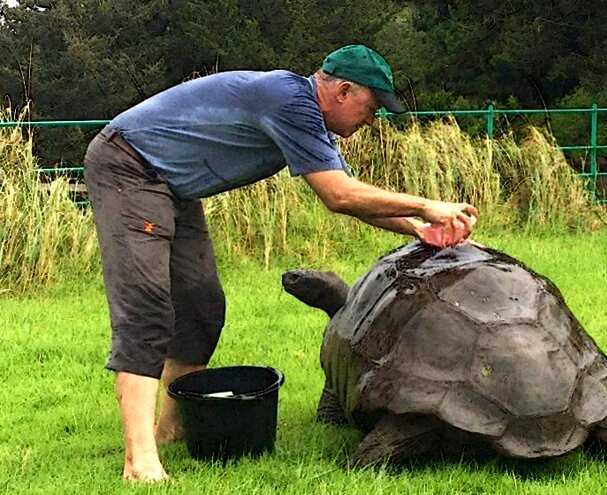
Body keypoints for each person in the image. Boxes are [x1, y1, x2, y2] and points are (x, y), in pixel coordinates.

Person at [83, 44, 478, 482]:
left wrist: (418, 231)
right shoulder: (289, 100)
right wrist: (427, 206)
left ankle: (172, 427)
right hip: (130, 166)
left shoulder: (311, 120)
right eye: (371, 107)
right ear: (344, 90)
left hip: (175, 185)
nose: (373, 120)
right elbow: (339, 193)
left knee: (200, 303)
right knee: (149, 308)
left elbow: (350, 198)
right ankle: (140, 462)